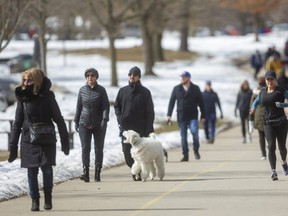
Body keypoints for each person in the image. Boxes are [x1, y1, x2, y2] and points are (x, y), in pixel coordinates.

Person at [7, 67, 70, 211]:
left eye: (30, 80)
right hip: (28, 139)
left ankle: (48, 198)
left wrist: (65, 140)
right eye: (24, 80)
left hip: (46, 138)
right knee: (31, 171)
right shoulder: (22, 98)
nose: (26, 82)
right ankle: (34, 200)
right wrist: (13, 147)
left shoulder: (48, 96)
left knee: (47, 169)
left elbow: (59, 119)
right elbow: (17, 123)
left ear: (37, 80)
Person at [114, 66, 155, 181]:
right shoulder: (122, 91)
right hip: (126, 129)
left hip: (141, 129)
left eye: (134, 75)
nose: (132, 77)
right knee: (127, 155)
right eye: (130, 74)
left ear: (139, 77)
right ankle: (135, 169)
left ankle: (138, 172)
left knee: (140, 154)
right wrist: (119, 118)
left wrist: (149, 128)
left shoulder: (145, 92)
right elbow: (117, 106)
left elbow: (150, 111)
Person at [250, 71, 288, 181]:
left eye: (271, 79)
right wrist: (253, 108)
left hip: (281, 122)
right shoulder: (262, 92)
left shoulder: (281, 91)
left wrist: (283, 105)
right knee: (271, 146)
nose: (269, 81)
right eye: (268, 79)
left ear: (275, 80)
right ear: (265, 81)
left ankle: (284, 162)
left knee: (282, 148)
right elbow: (256, 101)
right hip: (268, 123)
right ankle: (273, 171)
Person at [74, 68, 110, 183]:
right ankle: (85, 172)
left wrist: (105, 119)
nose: (90, 77)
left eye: (92, 75)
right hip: (84, 123)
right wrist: (76, 121)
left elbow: (106, 106)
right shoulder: (82, 90)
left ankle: (97, 172)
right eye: (88, 75)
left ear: (96, 77)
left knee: (98, 148)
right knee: (85, 148)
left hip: (98, 124)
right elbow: (79, 107)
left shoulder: (101, 90)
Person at [167, 71, 205, 161]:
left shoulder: (195, 88)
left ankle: (196, 150)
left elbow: (201, 103)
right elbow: (172, 102)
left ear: (188, 78)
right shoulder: (176, 89)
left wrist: (203, 115)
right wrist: (169, 115)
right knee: (183, 137)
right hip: (181, 116)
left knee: (194, 132)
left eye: (184, 77)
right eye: (181, 77)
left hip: (193, 116)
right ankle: (185, 155)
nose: (182, 79)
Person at [249, 76, 267, 160]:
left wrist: (251, 121)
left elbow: (252, 108)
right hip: (268, 116)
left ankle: (263, 154)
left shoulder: (255, 93)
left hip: (258, 117)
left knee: (261, 136)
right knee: (270, 136)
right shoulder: (270, 91)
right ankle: (270, 150)